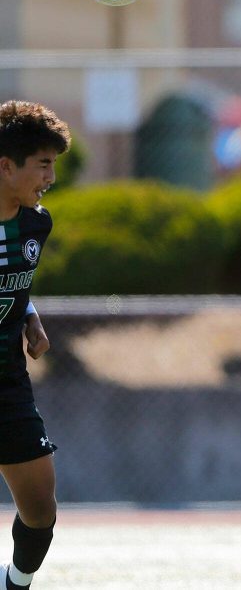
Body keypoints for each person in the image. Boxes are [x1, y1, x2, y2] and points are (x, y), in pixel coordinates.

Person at [0, 101, 71, 589]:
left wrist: (28, 314)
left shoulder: (35, 225)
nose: (49, 176)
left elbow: (14, 284)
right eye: (42, 164)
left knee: (41, 507)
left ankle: (15, 584)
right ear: (5, 166)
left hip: (7, 380)